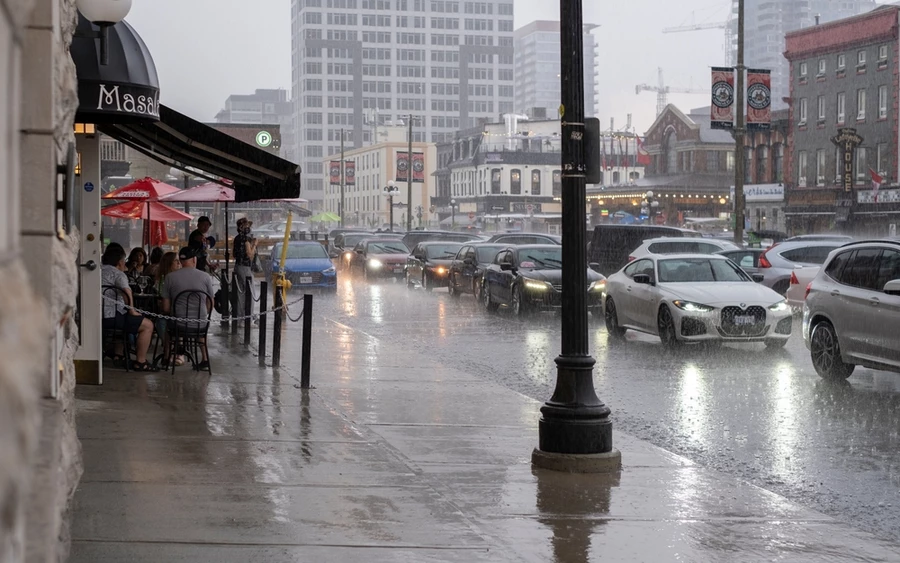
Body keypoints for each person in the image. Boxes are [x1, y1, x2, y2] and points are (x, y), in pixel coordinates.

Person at [100, 245, 156, 371]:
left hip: (93, 316)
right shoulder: (118, 274)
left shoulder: (94, 271)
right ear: (120, 262)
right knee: (148, 325)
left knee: (124, 322)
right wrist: (132, 310)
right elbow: (126, 291)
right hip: (111, 317)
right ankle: (141, 361)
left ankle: (118, 355)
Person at [162, 246, 215, 370]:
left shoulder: (170, 277)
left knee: (168, 326)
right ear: (194, 260)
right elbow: (211, 302)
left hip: (178, 324)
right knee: (200, 324)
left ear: (180, 261)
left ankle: (167, 356)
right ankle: (205, 358)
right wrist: (203, 313)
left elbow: (165, 307)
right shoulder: (205, 277)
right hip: (200, 325)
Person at [232, 217, 258, 321]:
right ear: (241, 227)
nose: (249, 228)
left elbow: (234, 254)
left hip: (238, 266)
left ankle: (240, 317)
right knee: (250, 292)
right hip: (245, 267)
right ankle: (248, 317)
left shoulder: (237, 238)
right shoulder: (245, 238)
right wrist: (254, 245)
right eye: (247, 226)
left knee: (240, 293)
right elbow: (250, 255)